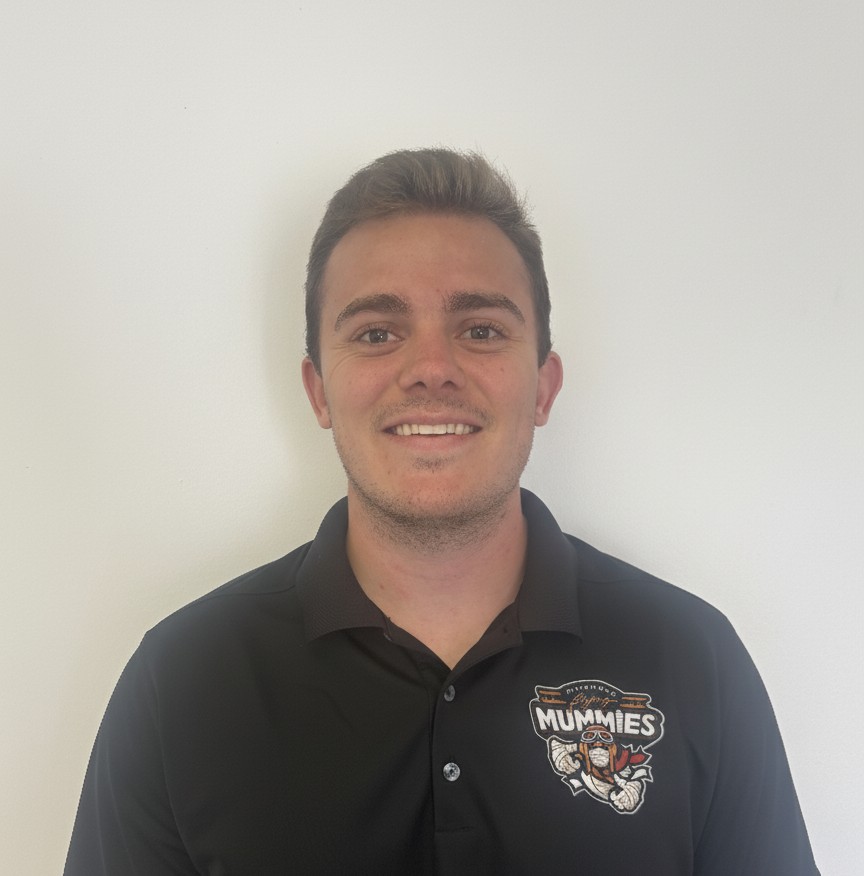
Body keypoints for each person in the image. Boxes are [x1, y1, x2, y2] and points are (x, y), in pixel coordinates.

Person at [65, 148, 819, 874]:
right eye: (377, 333)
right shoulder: (183, 681)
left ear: (543, 386)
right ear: (319, 391)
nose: (431, 369)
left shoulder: (692, 660)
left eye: (481, 329)